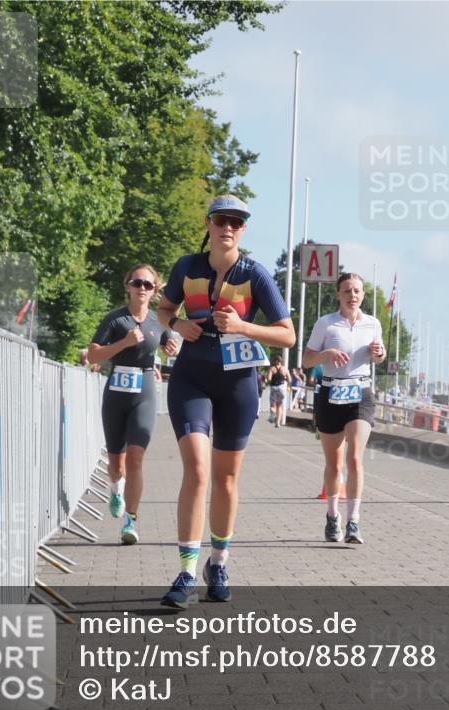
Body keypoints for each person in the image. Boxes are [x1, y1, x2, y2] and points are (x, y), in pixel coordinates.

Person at [156, 195, 294, 608]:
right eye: (221, 220)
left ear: (243, 230)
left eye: (236, 222)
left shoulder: (255, 274)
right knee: (197, 471)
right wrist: (179, 323)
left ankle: (219, 562)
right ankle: (185, 572)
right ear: (209, 223)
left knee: (226, 479)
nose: (228, 227)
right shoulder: (187, 267)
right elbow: (163, 310)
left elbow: (287, 334)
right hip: (192, 376)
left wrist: (243, 325)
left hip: (237, 382)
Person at [87, 264, 180, 544]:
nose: (142, 288)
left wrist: (170, 346)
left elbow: (168, 341)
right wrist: (124, 343)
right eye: (137, 283)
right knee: (117, 463)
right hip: (116, 391)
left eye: (148, 285)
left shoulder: (158, 320)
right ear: (127, 286)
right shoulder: (115, 320)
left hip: (145, 391)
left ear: (154, 291)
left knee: (136, 456)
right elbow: (93, 356)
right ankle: (116, 487)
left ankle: (131, 520)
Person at [303, 272, 386, 545]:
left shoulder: (372, 324)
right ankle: (332, 516)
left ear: (363, 295)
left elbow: (379, 356)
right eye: (347, 290)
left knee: (354, 459)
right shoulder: (326, 324)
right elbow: (306, 360)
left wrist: (378, 353)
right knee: (334, 463)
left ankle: (354, 521)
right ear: (338, 294)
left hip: (360, 393)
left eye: (357, 291)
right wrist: (325, 355)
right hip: (331, 392)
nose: (353, 295)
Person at [266, 356, 290, 427]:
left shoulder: (272, 368)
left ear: (275, 361)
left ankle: (272, 414)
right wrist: (286, 382)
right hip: (282, 388)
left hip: (274, 387)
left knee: (273, 404)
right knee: (279, 405)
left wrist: (269, 379)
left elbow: (269, 378)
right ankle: (278, 423)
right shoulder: (285, 369)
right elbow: (290, 379)